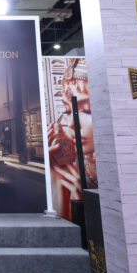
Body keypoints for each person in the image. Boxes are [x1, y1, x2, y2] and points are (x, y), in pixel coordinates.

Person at [46, 58, 97, 220]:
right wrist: (55, 184)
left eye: (86, 111)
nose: (71, 124)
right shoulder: (73, 173)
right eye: (68, 111)